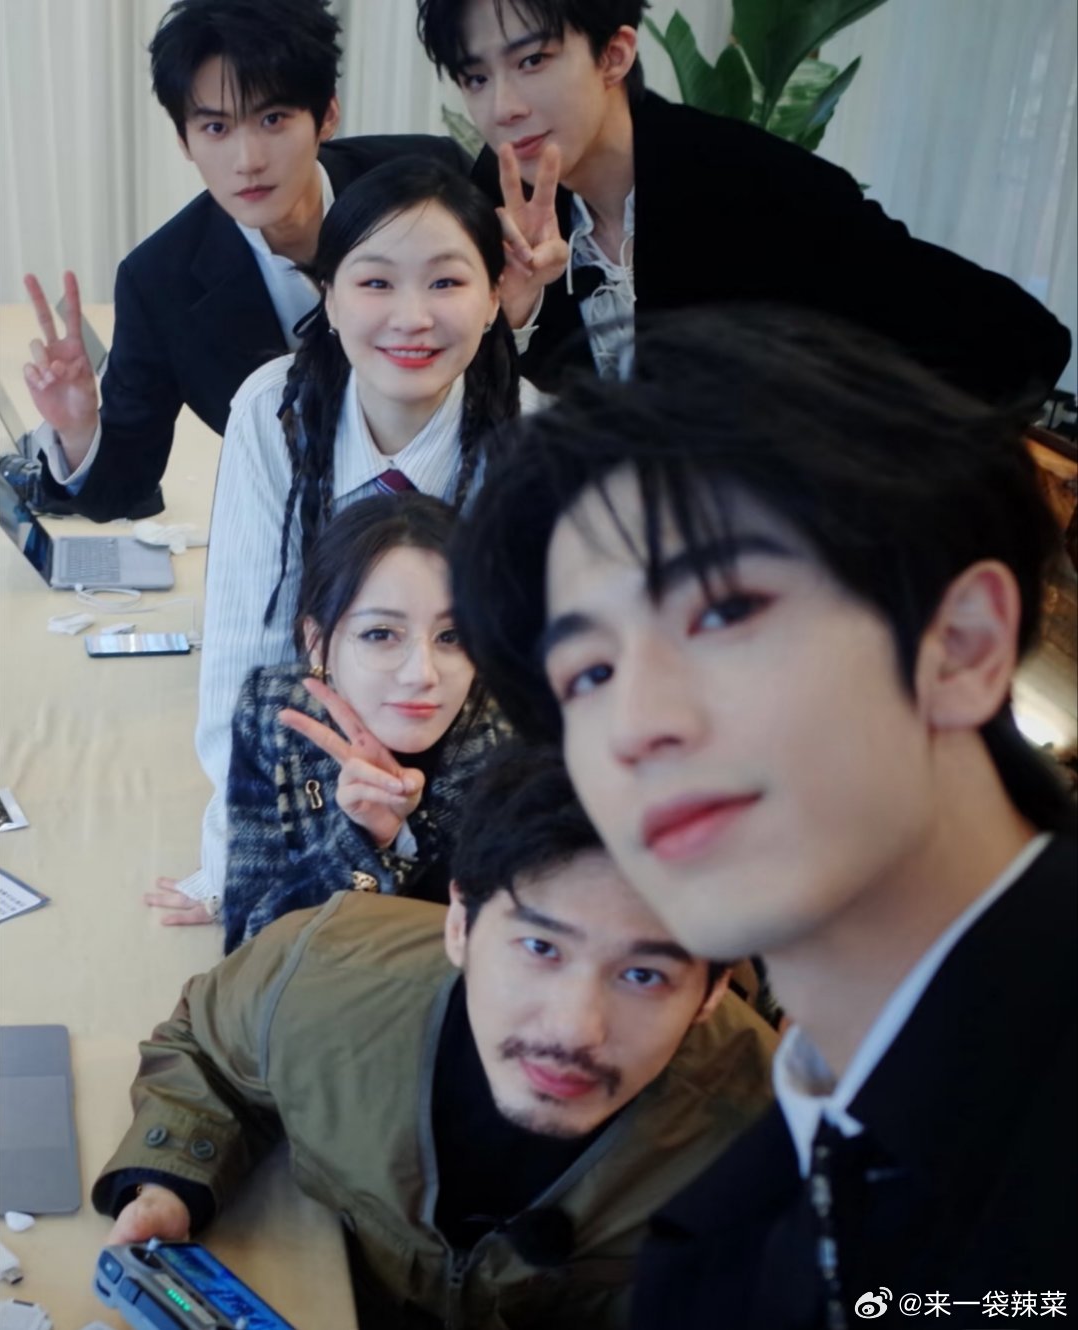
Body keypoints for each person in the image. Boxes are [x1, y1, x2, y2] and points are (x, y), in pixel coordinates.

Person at [449, 308, 1078, 1329]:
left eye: (725, 610)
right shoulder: (769, 1184)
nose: (635, 725)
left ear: (962, 646)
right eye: (589, 673)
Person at [95, 744, 776, 1329]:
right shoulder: (318, 972)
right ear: (460, 924)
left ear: (713, 991)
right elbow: (209, 1046)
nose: (575, 1028)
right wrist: (169, 1183)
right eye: (540, 947)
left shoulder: (779, 1142)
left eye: (644, 975)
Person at [145, 154, 536, 925]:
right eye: (376, 282)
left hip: (476, 800)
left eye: (447, 282)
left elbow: (529, 693)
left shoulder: (533, 436)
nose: (412, 318)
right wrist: (239, 861)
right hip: (315, 778)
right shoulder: (276, 412)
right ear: (327, 296)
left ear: (495, 297)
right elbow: (246, 658)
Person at [416, 0, 1072, 406]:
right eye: (476, 76)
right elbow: (482, 404)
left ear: (614, 55)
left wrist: (843, 474)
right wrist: (520, 310)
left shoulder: (752, 184)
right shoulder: (503, 194)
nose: (503, 106)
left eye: (532, 61)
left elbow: (1017, 343)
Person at [14, 0, 468, 523]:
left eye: (272, 119)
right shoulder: (159, 281)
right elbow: (125, 485)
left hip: (463, 510)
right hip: (299, 537)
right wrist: (77, 431)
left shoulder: (430, 179)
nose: (248, 160)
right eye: (216, 128)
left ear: (327, 115)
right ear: (184, 140)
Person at [223, 492, 505, 954]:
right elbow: (248, 953)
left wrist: (409, 836)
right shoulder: (275, 714)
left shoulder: (517, 731)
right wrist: (366, 838)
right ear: (317, 642)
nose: (423, 674)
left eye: (452, 635)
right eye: (380, 634)